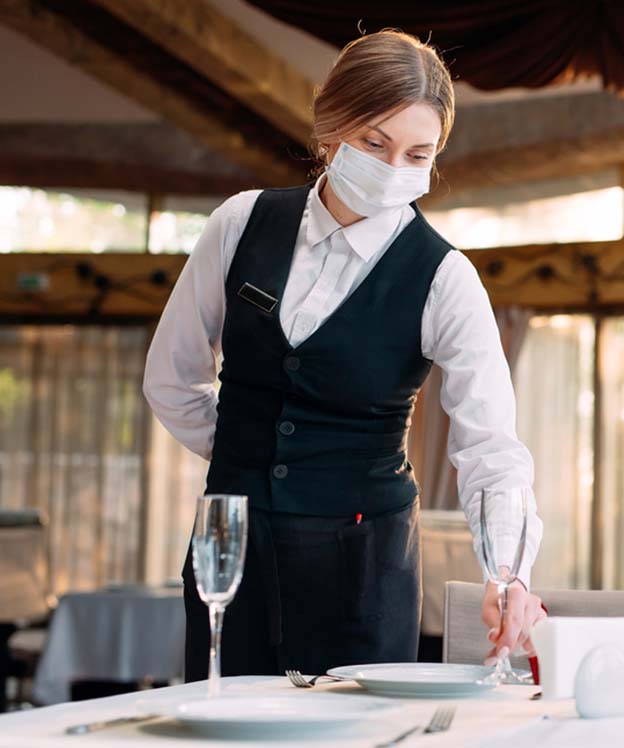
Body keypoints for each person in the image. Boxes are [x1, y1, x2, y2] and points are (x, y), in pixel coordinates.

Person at [143, 29, 545, 679]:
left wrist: (508, 572)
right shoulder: (240, 224)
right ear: (331, 128)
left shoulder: (444, 278)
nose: (392, 170)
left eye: (418, 153)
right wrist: (250, 454)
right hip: (231, 554)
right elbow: (171, 380)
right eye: (374, 143)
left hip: (364, 569)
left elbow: (490, 446)